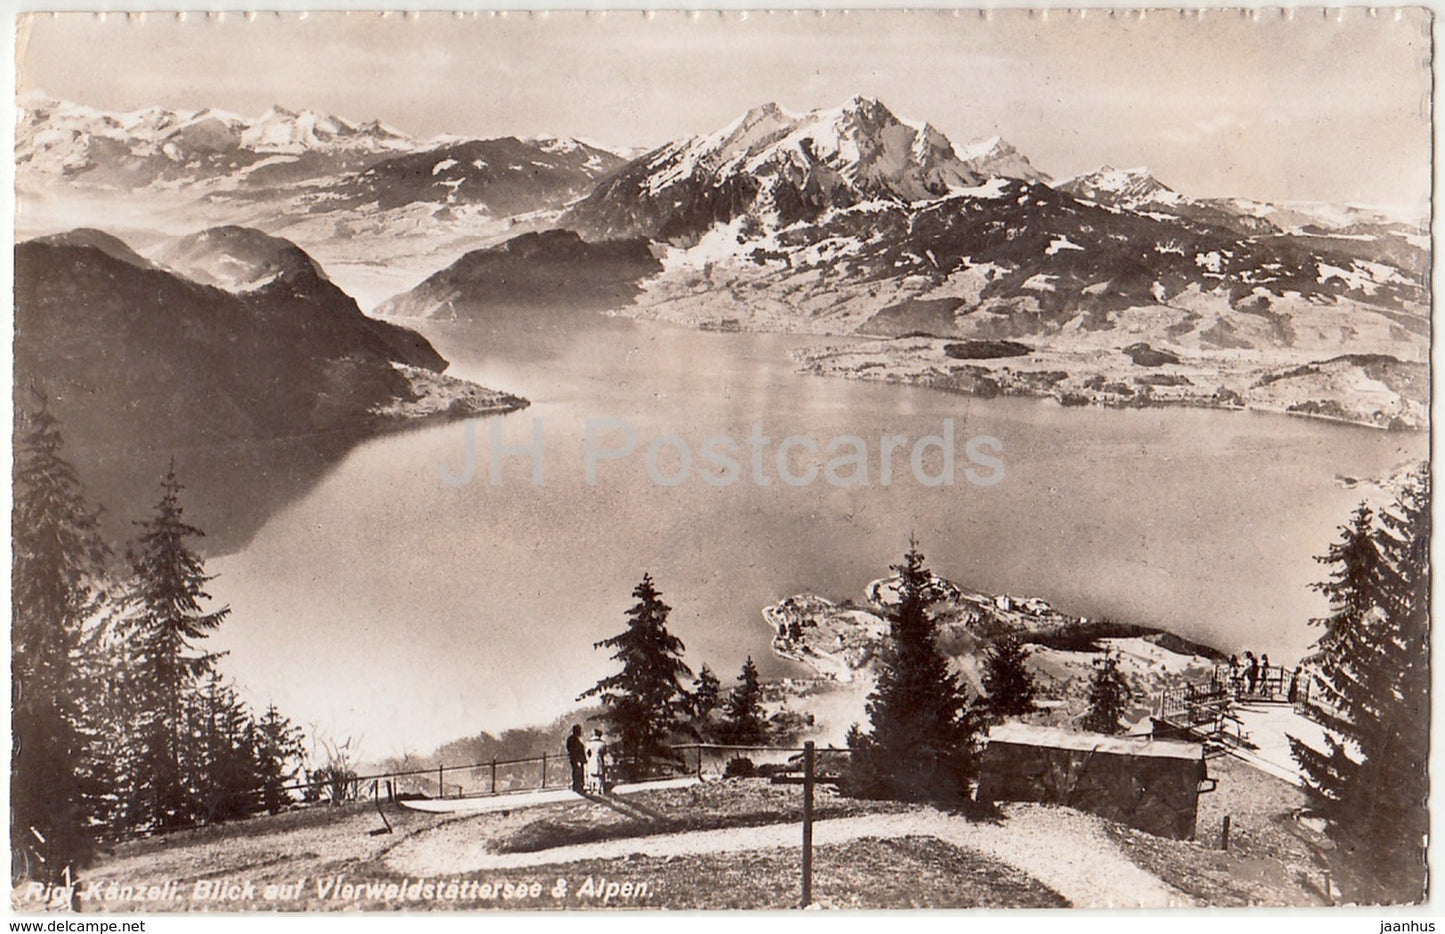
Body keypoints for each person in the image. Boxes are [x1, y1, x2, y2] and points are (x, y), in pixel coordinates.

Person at [584, 728, 608, 794]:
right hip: (600, 759)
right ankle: (600, 789)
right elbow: (604, 752)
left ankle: (592, 788)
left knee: (591, 774)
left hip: (591, 760)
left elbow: (587, 752)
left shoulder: (589, 743)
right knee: (600, 775)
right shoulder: (602, 743)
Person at [566, 724, 586, 793]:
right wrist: (577, 759)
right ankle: (577, 786)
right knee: (577, 772)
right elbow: (574, 750)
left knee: (576, 772)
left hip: (576, 759)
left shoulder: (573, 739)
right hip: (576, 759)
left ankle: (577, 786)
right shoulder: (573, 740)